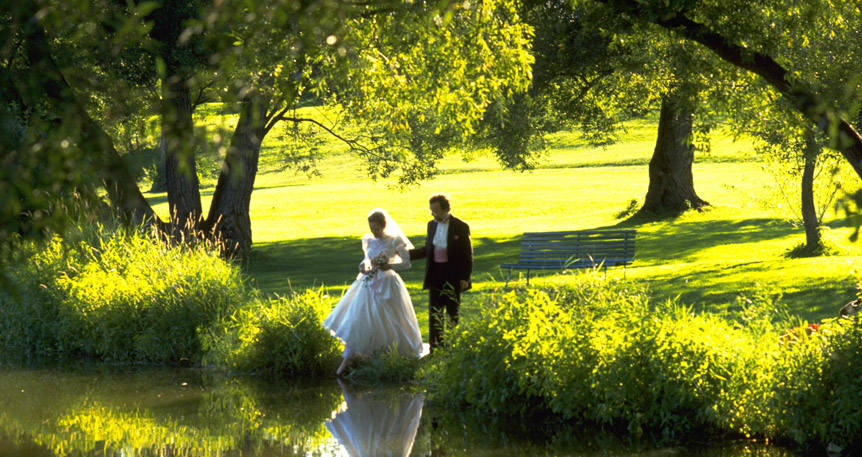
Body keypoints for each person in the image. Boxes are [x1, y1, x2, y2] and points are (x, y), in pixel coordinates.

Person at [323, 209, 424, 376]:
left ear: (384, 226)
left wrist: (390, 265)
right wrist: (363, 266)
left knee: (389, 317)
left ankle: (391, 353)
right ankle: (358, 353)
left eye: (376, 229)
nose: (374, 232)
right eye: (371, 228)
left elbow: (406, 263)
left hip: (388, 283)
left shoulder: (395, 241)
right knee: (362, 316)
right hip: (369, 282)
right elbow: (367, 258)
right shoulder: (368, 240)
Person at [410, 193, 473, 352]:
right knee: (434, 312)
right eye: (431, 211)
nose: (433, 214)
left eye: (436, 211)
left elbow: (467, 254)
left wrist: (465, 277)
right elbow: (427, 250)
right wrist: (406, 254)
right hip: (435, 274)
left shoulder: (460, 226)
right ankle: (435, 347)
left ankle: (452, 347)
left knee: (452, 311)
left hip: (453, 274)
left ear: (445, 209)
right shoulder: (431, 225)